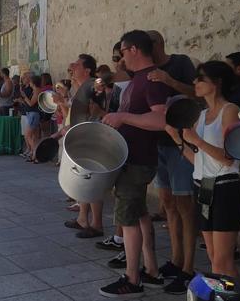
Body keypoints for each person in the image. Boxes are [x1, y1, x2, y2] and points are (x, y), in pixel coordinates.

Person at [99, 31, 171, 298]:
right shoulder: (138, 79)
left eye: (121, 53)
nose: (120, 59)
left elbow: (162, 120)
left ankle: (132, 279)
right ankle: (151, 271)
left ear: (133, 50)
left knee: (127, 219)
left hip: (138, 160)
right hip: (132, 158)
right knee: (139, 215)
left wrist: (124, 117)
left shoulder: (152, 78)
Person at [166, 61, 240, 279]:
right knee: (213, 256)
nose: (194, 82)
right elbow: (198, 161)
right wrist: (176, 138)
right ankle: (230, 294)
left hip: (225, 187)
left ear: (217, 83)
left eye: (201, 78)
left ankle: (232, 295)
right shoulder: (201, 114)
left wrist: (197, 140)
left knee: (222, 260)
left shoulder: (230, 111)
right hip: (204, 186)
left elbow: (229, 158)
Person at [145, 30, 199, 294]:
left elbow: (196, 94)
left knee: (185, 205)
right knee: (167, 204)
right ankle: (176, 260)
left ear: (158, 44)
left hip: (181, 145)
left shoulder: (180, 63)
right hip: (160, 143)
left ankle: (189, 269)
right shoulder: (145, 69)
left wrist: (169, 80)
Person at [63, 54, 103, 238]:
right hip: (82, 136)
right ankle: (82, 219)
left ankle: (96, 224)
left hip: (92, 137)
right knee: (83, 179)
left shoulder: (94, 86)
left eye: (77, 65)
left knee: (92, 180)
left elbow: (95, 110)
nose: (72, 66)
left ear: (87, 70)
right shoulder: (81, 86)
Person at [20, 75, 42, 162]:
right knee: (33, 137)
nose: (29, 83)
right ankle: (34, 155)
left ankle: (35, 153)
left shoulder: (37, 90)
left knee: (27, 135)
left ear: (33, 82)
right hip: (31, 114)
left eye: (30, 81)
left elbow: (31, 103)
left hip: (34, 114)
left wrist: (24, 96)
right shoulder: (35, 90)